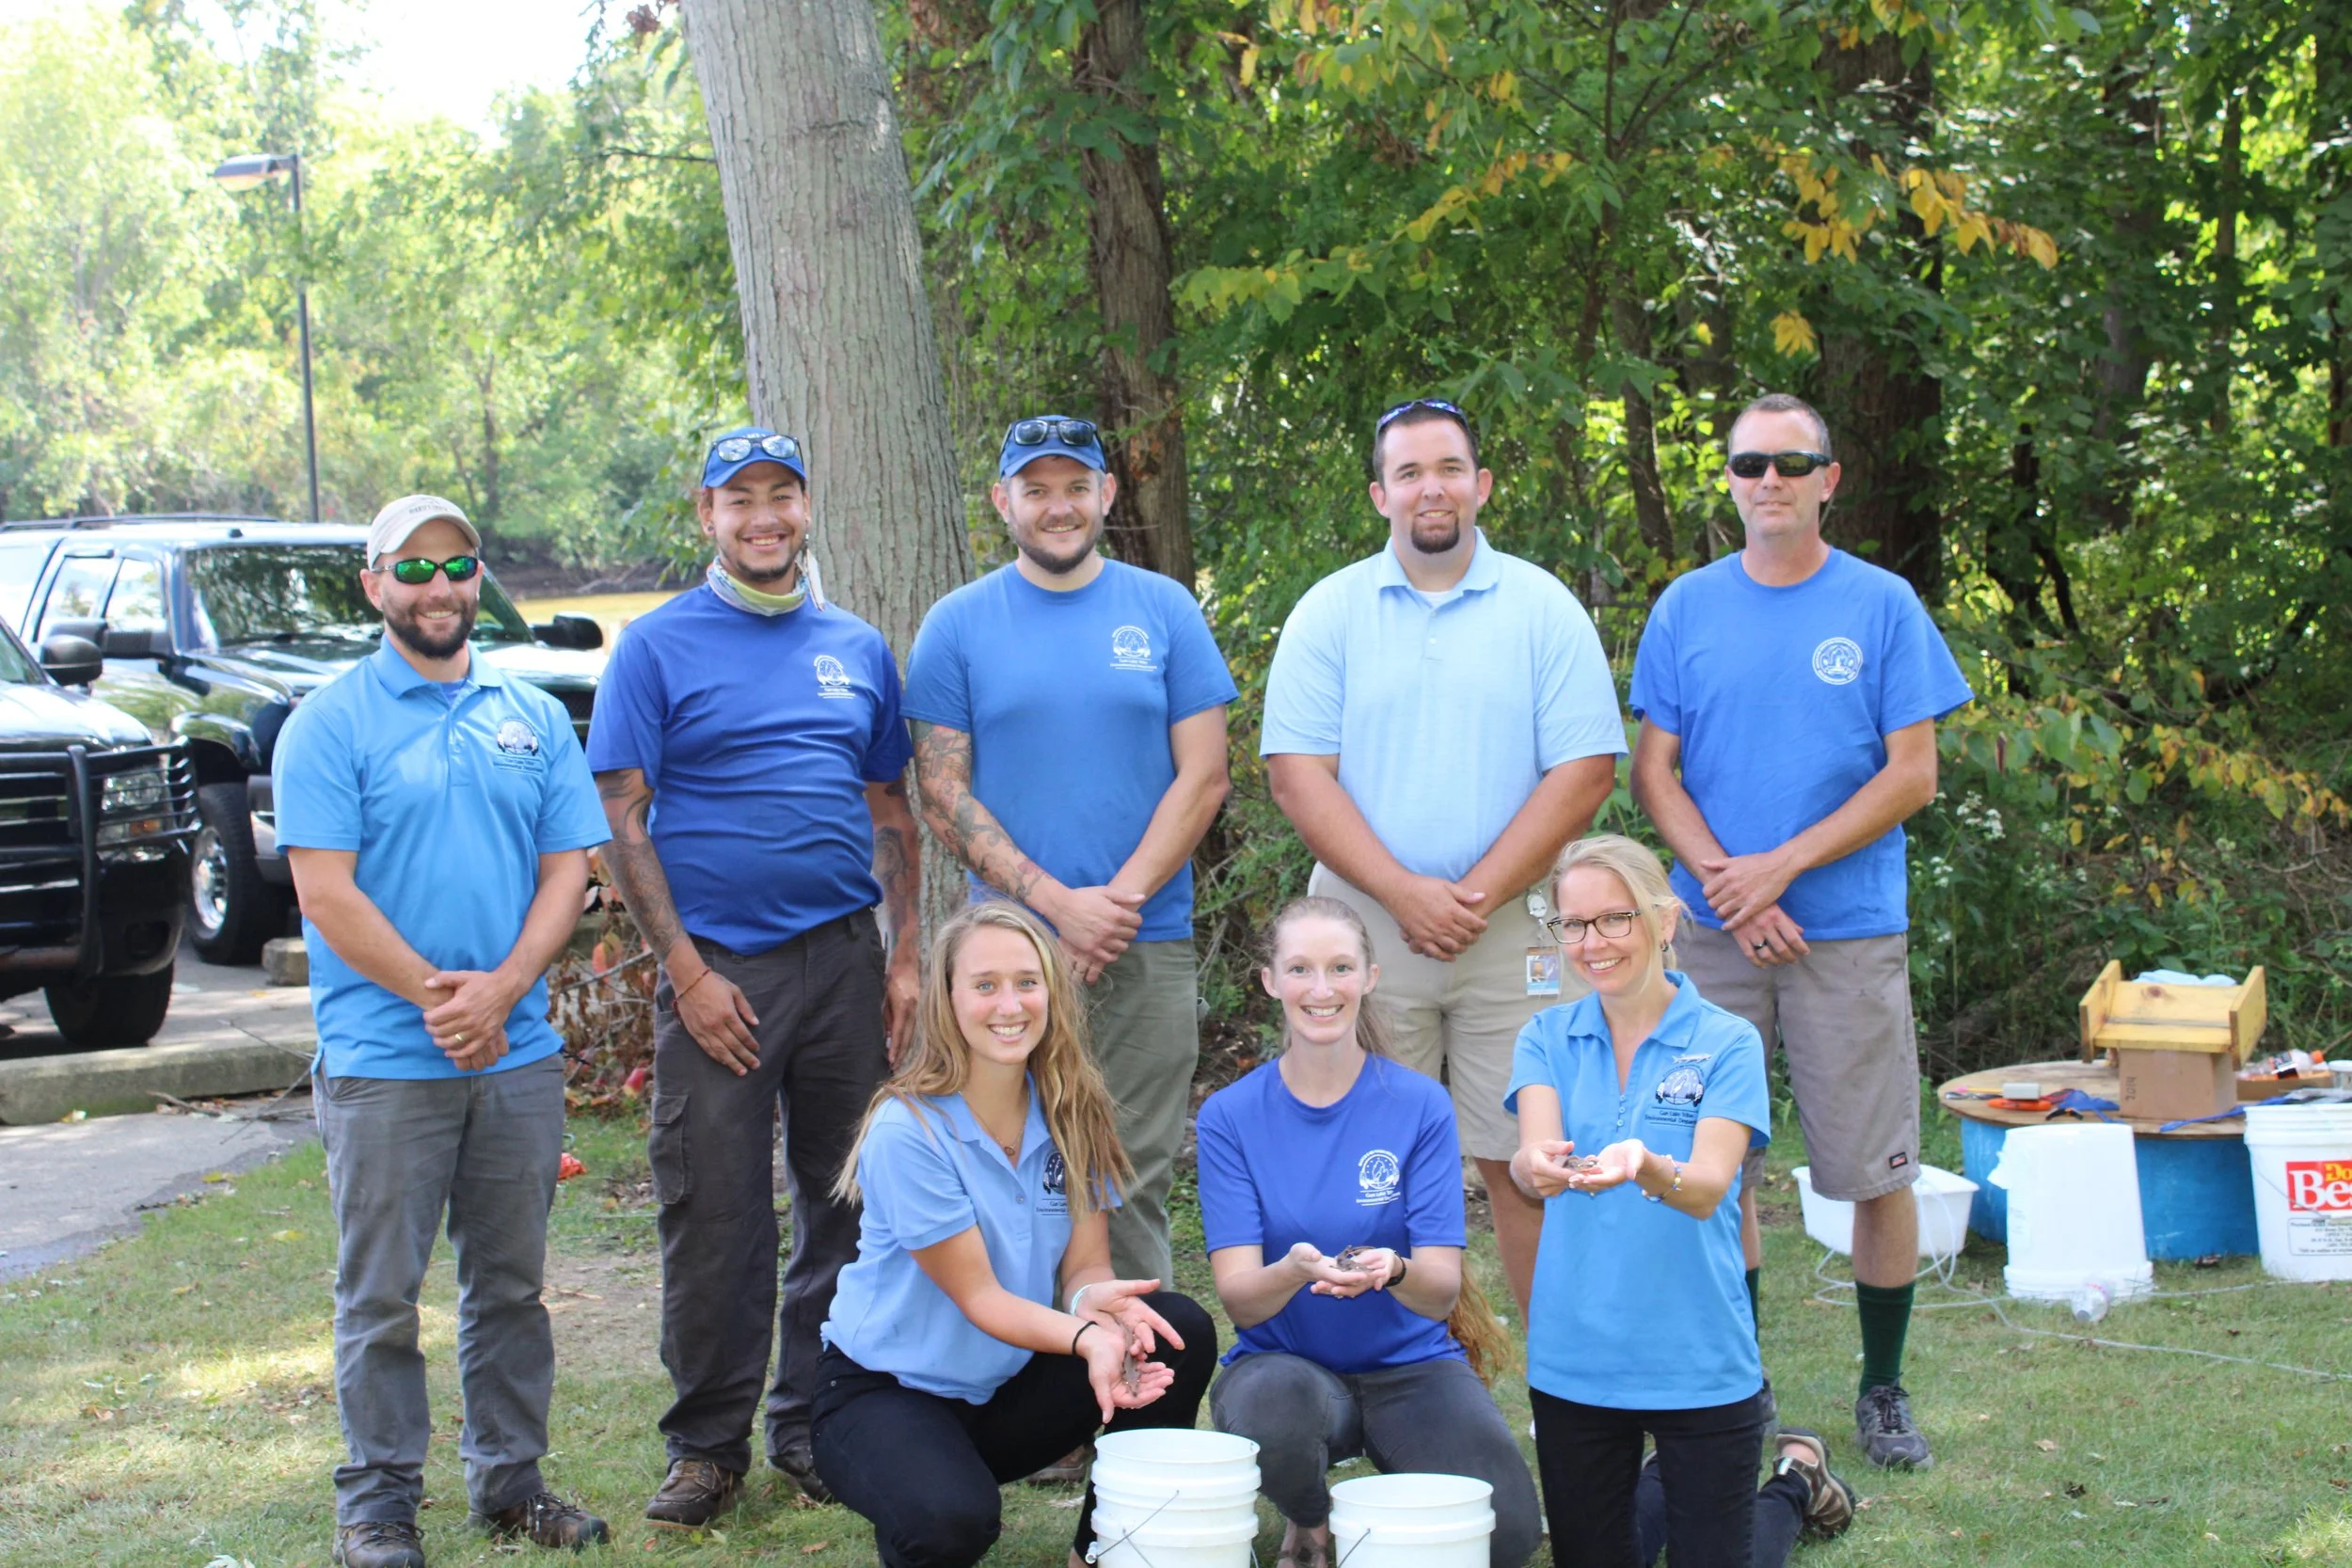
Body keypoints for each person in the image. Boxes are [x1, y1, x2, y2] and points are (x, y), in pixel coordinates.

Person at [1628, 392, 1973, 1468]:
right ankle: (1739, 1381)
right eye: (1747, 462)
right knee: (1709, 1168)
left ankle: (1882, 1387)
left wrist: (1782, 867)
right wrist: (1735, 886)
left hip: (1847, 932)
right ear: (1726, 478)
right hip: (1714, 932)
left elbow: (1910, 774)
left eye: (1791, 462)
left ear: (1829, 477)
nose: (1767, 479)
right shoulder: (1685, 607)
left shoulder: (1881, 604)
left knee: (1874, 1172)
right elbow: (1653, 771)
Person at [589, 428, 924, 1522]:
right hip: (720, 970)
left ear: (806, 508)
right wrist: (682, 970)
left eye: (781, 496)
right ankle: (706, 1446)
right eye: (741, 501)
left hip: (842, 963)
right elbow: (621, 817)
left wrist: (905, 952)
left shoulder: (856, 646)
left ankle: (812, 1424)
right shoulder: (656, 647)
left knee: (844, 1205)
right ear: (707, 517)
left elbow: (890, 811)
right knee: (717, 1213)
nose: (763, 517)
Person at [274, 495, 612, 1568]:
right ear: (373, 584)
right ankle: (375, 1504)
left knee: (508, 1286)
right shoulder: (327, 722)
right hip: (384, 1061)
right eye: (410, 568)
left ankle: (511, 1487)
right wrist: (438, 995)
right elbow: (325, 893)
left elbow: (571, 870)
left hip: (516, 1056)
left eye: (456, 565)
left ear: (479, 580)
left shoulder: (532, 714)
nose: (436, 586)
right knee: (380, 1294)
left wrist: (503, 987)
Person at [1261, 397, 1624, 1321]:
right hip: (1363, 932)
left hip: (1515, 933)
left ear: (1482, 484)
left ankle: (1565, 1383)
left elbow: (1584, 771)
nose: (1433, 488)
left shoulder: (1542, 607)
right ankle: (1391, 1374)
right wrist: (1404, 894)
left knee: (1531, 1164)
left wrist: (1472, 893)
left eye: (1450, 468)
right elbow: (1298, 775)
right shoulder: (1328, 612)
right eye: (1411, 472)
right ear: (1380, 492)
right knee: (1369, 1163)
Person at [906, 413, 1235, 1289]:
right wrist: (1058, 906)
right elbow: (941, 790)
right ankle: (1020, 1406)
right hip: (1006, 957)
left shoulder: (1163, 609)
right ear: (1002, 501)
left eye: (1075, 487)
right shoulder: (956, 625)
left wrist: (1110, 906)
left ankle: (1139, 1411)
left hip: (1143, 941)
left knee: (1126, 1178)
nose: (1058, 507)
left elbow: (1204, 776)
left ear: (1107, 495)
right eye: (1036, 489)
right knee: (1004, 1175)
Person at [810, 901, 1219, 1568]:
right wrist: (1087, 1339)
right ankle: (923, 1495)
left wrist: (1098, 1306)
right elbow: (980, 1297)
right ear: (948, 998)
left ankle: (1100, 1550)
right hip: (883, 1394)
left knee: (1172, 1329)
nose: (1010, 1004)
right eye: (985, 984)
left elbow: (1085, 1267)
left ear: (1053, 993)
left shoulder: (1073, 1109)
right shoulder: (907, 1128)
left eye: (1028, 982)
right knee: (951, 1522)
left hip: (999, 1393)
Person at [1504, 835, 1856, 1568]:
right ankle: (1678, 1477)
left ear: (1664, 921)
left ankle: (1792, 1482)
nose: (1591, 942)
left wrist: (1644, 1163)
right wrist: (1534, 1164)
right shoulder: (1545, 1036)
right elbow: (1533, 1158)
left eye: (1613, 919)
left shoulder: (1725, 1041)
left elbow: (1705, 1189)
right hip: (1579, 1361)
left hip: (1699, 1358)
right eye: (1573, 924)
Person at [1196, 896, 1542, 1568]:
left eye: (1340, 967)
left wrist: (1397, 1268)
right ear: (1270, 981)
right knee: (1271, 1406)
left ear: (1371, 977)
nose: (1321, 989)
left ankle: (1393, 1499)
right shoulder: (1230, 1116)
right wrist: (1296, 1268)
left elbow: (1440, 1293)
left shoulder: (1420, 1104)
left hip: (1410, 1367)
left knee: (1504, 1535)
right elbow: (1240, 1299)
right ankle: (1311, 1519)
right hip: (1286, 1368)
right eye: (1299, 968)